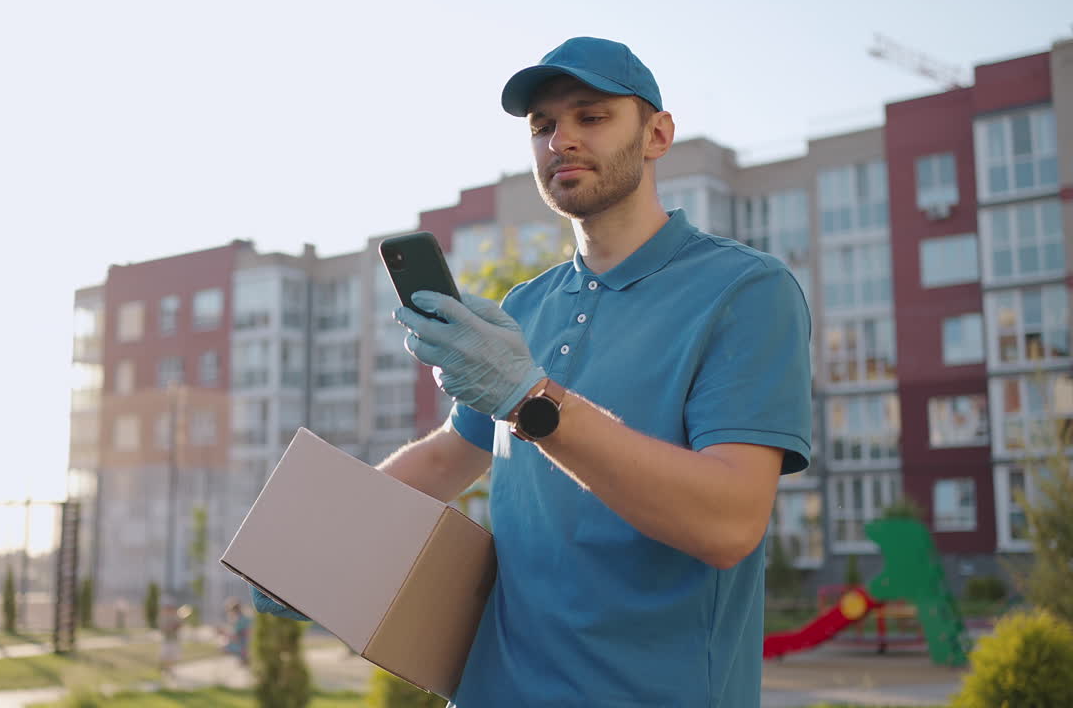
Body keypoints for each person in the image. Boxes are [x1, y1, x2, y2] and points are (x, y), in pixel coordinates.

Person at [257, 36, 811, 706]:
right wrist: (315, 547)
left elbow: (728, 527)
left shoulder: (746, 290)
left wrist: (531, 400)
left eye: (591, 116)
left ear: (658, 134)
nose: (561, 140)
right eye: (542, 126)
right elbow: (445, 458)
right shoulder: (524, 306)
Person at [219, 597, 252, 666]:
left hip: (244, 641)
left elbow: (238, 633)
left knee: (226, 646)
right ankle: (243, 657)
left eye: (229, 611)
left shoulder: (241, 619)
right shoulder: (241, 617)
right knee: (227, 644)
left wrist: (227, 634)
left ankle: (244, 657)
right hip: (243, 640)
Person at [158, 596, 184, 683]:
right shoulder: (163, 617)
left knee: (173, 656)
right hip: (166, 640)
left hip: (174, 640)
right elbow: (162, 628)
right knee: (165, 656)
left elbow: (179, 625)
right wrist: (169, 628)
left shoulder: (176, 616)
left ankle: (169, 670)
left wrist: (174, 627)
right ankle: (166, 669)